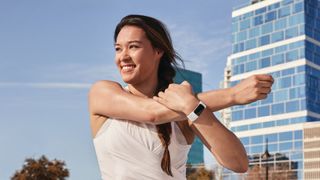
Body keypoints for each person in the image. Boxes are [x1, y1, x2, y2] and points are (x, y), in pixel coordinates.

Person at [89, 14, 274, 179]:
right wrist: (232, 94)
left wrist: (194, 107)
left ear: (158, 51)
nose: (123, 56)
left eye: (133, 47)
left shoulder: (188, 111)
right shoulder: (102, 93)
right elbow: (152, 113)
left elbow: (238, 163)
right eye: (118, 49)